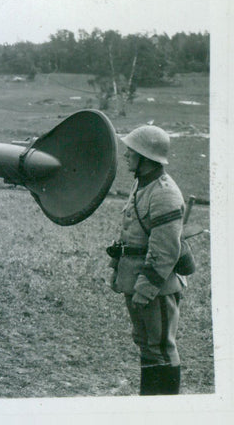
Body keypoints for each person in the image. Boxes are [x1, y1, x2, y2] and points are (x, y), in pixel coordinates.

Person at [108, 125, 186, 395]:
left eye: (131, 151)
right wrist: (116, 269)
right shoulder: (142, 184)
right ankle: (149, 404)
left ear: (146, 157)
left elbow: (165, 251)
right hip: (136, 280)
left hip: (156, 287)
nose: (126, 155)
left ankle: (166, 409)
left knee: (161, 347)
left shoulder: (164, 193)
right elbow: (130, 233)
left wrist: (145, 289)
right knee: (146, 343)